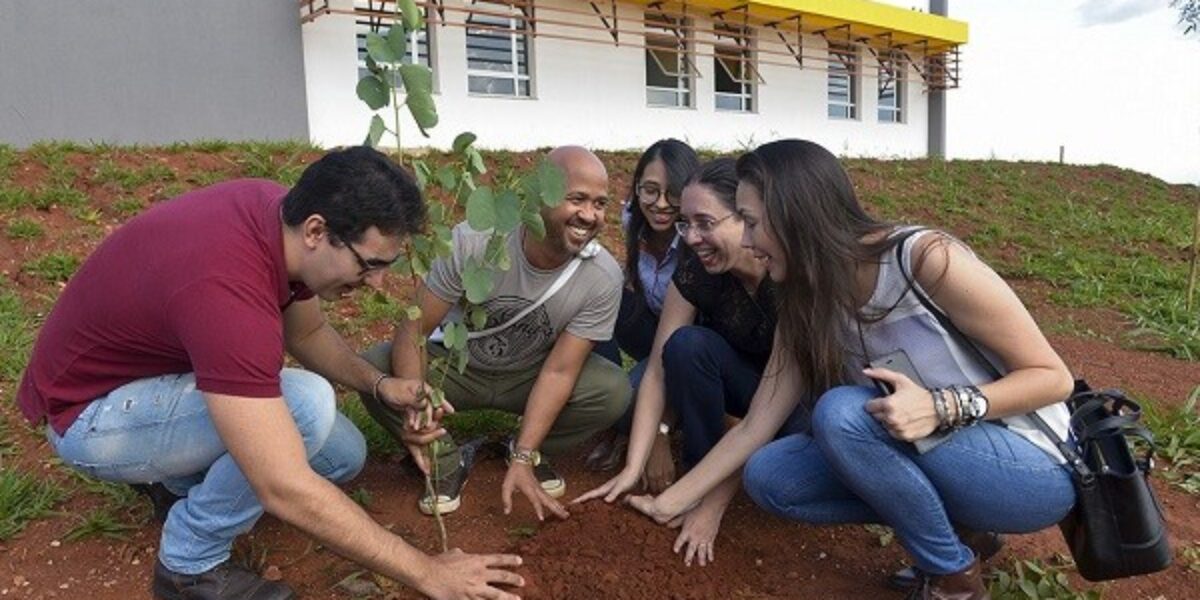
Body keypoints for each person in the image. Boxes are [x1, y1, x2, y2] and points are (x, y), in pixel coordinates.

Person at [16, 147, 524, 600]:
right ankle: (187, 566)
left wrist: (379, 384)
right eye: (370, 264)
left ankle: (174, 479)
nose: (377, 283)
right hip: (90, 417)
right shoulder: (227, 291)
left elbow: (303, 335)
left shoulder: (280, 217)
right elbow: (281, 487)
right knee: (304, 409)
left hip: (155, 385)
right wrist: (426, 572)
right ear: (317, 232)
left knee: (340, 458)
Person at [627, 139, 1076, 599]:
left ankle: (953, 580)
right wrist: (670, 502)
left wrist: (941, 407)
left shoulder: (923, 259)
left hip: (1032, 465)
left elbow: (1052, 377)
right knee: (771, 477)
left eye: (753, 223)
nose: (746, 240)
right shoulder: (803, 299)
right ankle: (961, 532)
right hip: (937, 452)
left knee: (841, 413)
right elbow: (756, 425)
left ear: (794, 214)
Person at [360, 145, 630, 522]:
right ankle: (444, 458)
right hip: (456, 366)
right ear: (540, 196)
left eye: (600, 203)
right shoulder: (475, 241)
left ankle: (525, 449)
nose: (589, 215)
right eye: (577, 199)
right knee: (374, 369)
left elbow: (560, 372)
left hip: (529, 373)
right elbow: (415, 328)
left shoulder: (602, 277)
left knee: (612, 390)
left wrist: (523, 454)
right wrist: (418, 407)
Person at [576, 158, 782, 567]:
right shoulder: (697, 272)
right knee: (687, 346)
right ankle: (698, 468)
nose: (691, 238)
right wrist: (634, 466)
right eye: (685, 224)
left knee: (775, 469)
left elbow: (767, 415)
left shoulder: (786, 278)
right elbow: (656, 368)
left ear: (745, 217)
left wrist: (710, 507)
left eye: (705, 223)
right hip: (742, 387)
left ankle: (708, 491)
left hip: (791, 402)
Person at [588, 138, 700, 471]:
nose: (661, 204)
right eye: (650, 190)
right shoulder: (632, 219)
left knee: (629, 404)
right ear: (637, 188)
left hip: (687, 343)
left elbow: (687, 340)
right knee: (600, 290)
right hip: (651, 329)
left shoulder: (696, 238)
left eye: (673, 193)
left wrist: (660, 431)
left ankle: (636, 427)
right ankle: (606, 417)